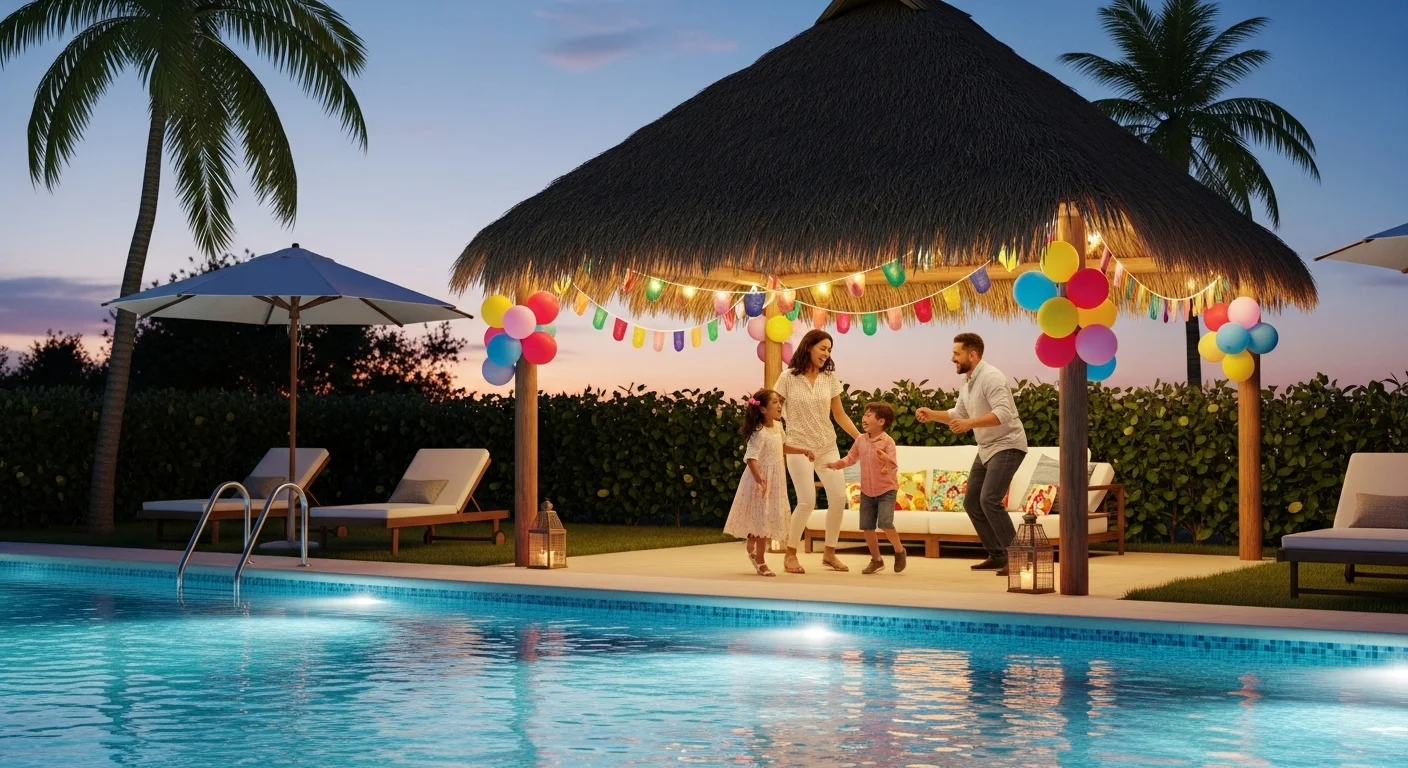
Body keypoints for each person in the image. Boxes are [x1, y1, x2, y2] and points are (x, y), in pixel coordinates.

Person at [916, 333, 1028, 576]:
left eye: (957, 354)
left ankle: (1019, 558)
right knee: (971, 502)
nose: (952, 358)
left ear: (972, 355)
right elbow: (959, 413)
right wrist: (932, 414)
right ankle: (997, 555)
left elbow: (1004, 414)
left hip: (1007, 444)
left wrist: (970, 424)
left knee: (989, 500)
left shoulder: (992, 378)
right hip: (987, 448)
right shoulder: (967, 381)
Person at [773, 330, 862, 574]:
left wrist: (861, 439)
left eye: (830, 350)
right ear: (809, 347)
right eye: (823, 348)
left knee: (837, 498)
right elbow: (773, 409)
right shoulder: (787, 377)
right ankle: (790, 554)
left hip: (827, 446)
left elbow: (839, 414)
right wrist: (774, 437)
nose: (827, 353)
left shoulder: (829, 377)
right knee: (807, 501)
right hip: (799, 446)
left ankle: (829, 554)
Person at [724, 389, 815, 577]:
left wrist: (803, 451)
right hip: (760, 479)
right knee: (762, 518)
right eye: (775, 403)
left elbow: (782, 447)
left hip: (776, 478)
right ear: (763, 409)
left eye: (780, 402)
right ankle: (761, 560)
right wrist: (759, 480)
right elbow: (751, 458)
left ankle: (753, 539)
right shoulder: (759, 432)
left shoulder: (778, 427)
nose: (780, 406)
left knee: (764, 518)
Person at [824, 402, 906, 575]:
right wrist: (837, 464)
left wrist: (885, 458)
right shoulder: (860, 440)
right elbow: (851, 458)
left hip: (886, 490)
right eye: (864, 414)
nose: (864, 418)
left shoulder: (887, 442)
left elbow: (893, 466)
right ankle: (876, 560)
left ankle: (899, 550)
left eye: (869, 415)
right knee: (867, 527)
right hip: (867, 490)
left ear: (881, 421)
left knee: (885, 522)